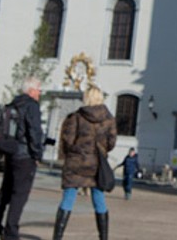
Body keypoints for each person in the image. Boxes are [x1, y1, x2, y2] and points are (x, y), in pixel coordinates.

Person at [53, 87, 117, 240]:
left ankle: (58, 237)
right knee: (99, 198)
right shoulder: (108, 119)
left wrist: (77, 150)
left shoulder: (76, 117)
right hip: (96, 164)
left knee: (68, 198)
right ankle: (103, 237)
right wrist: (100, 149)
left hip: (76, 162)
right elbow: (112, 142)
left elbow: (67, 139)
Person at [0, 77, 44, 239]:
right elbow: (34, 131)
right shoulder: (31, 106)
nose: (40, 93)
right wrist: (37, 154)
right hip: (25, 155)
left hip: (11, 153)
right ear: (31, 90)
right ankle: (11, 232)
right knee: (19, 195)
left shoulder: (14, 103)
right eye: (39, 89)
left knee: (5, 191)